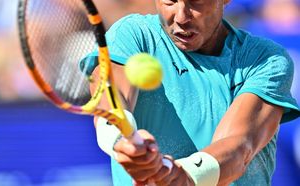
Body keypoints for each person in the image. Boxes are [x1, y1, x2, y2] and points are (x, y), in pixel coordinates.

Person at [83, 0, 300, 185]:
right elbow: (110, 99)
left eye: (196, 1)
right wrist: (120, 141)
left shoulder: (266, 59)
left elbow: (239, 146)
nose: (180, 17)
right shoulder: (132, 35)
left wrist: (184, 175)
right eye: (169, 0)